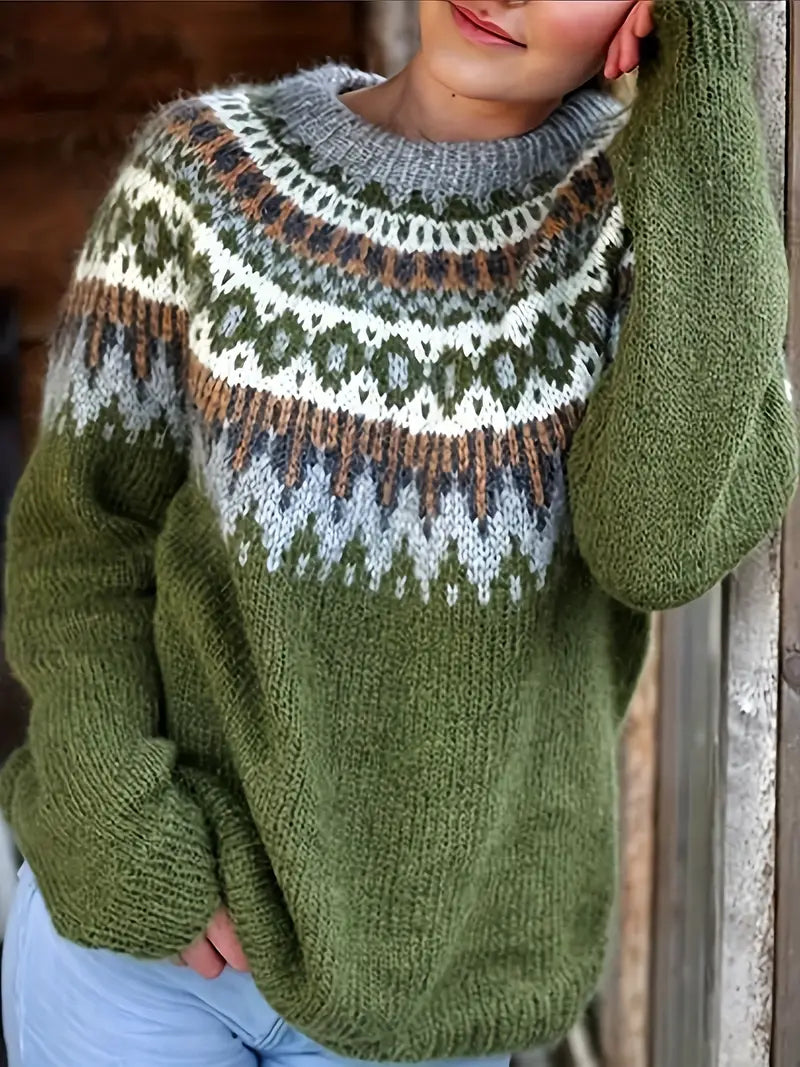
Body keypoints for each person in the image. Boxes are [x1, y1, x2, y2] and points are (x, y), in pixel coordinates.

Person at [1, 1, 796, 1064]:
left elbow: (657, 545)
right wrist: (114, 826)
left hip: (434, 994)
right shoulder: (201, 169)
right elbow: (82, 536)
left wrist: (698, 76)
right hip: (145, 948)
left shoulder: (640, 235)